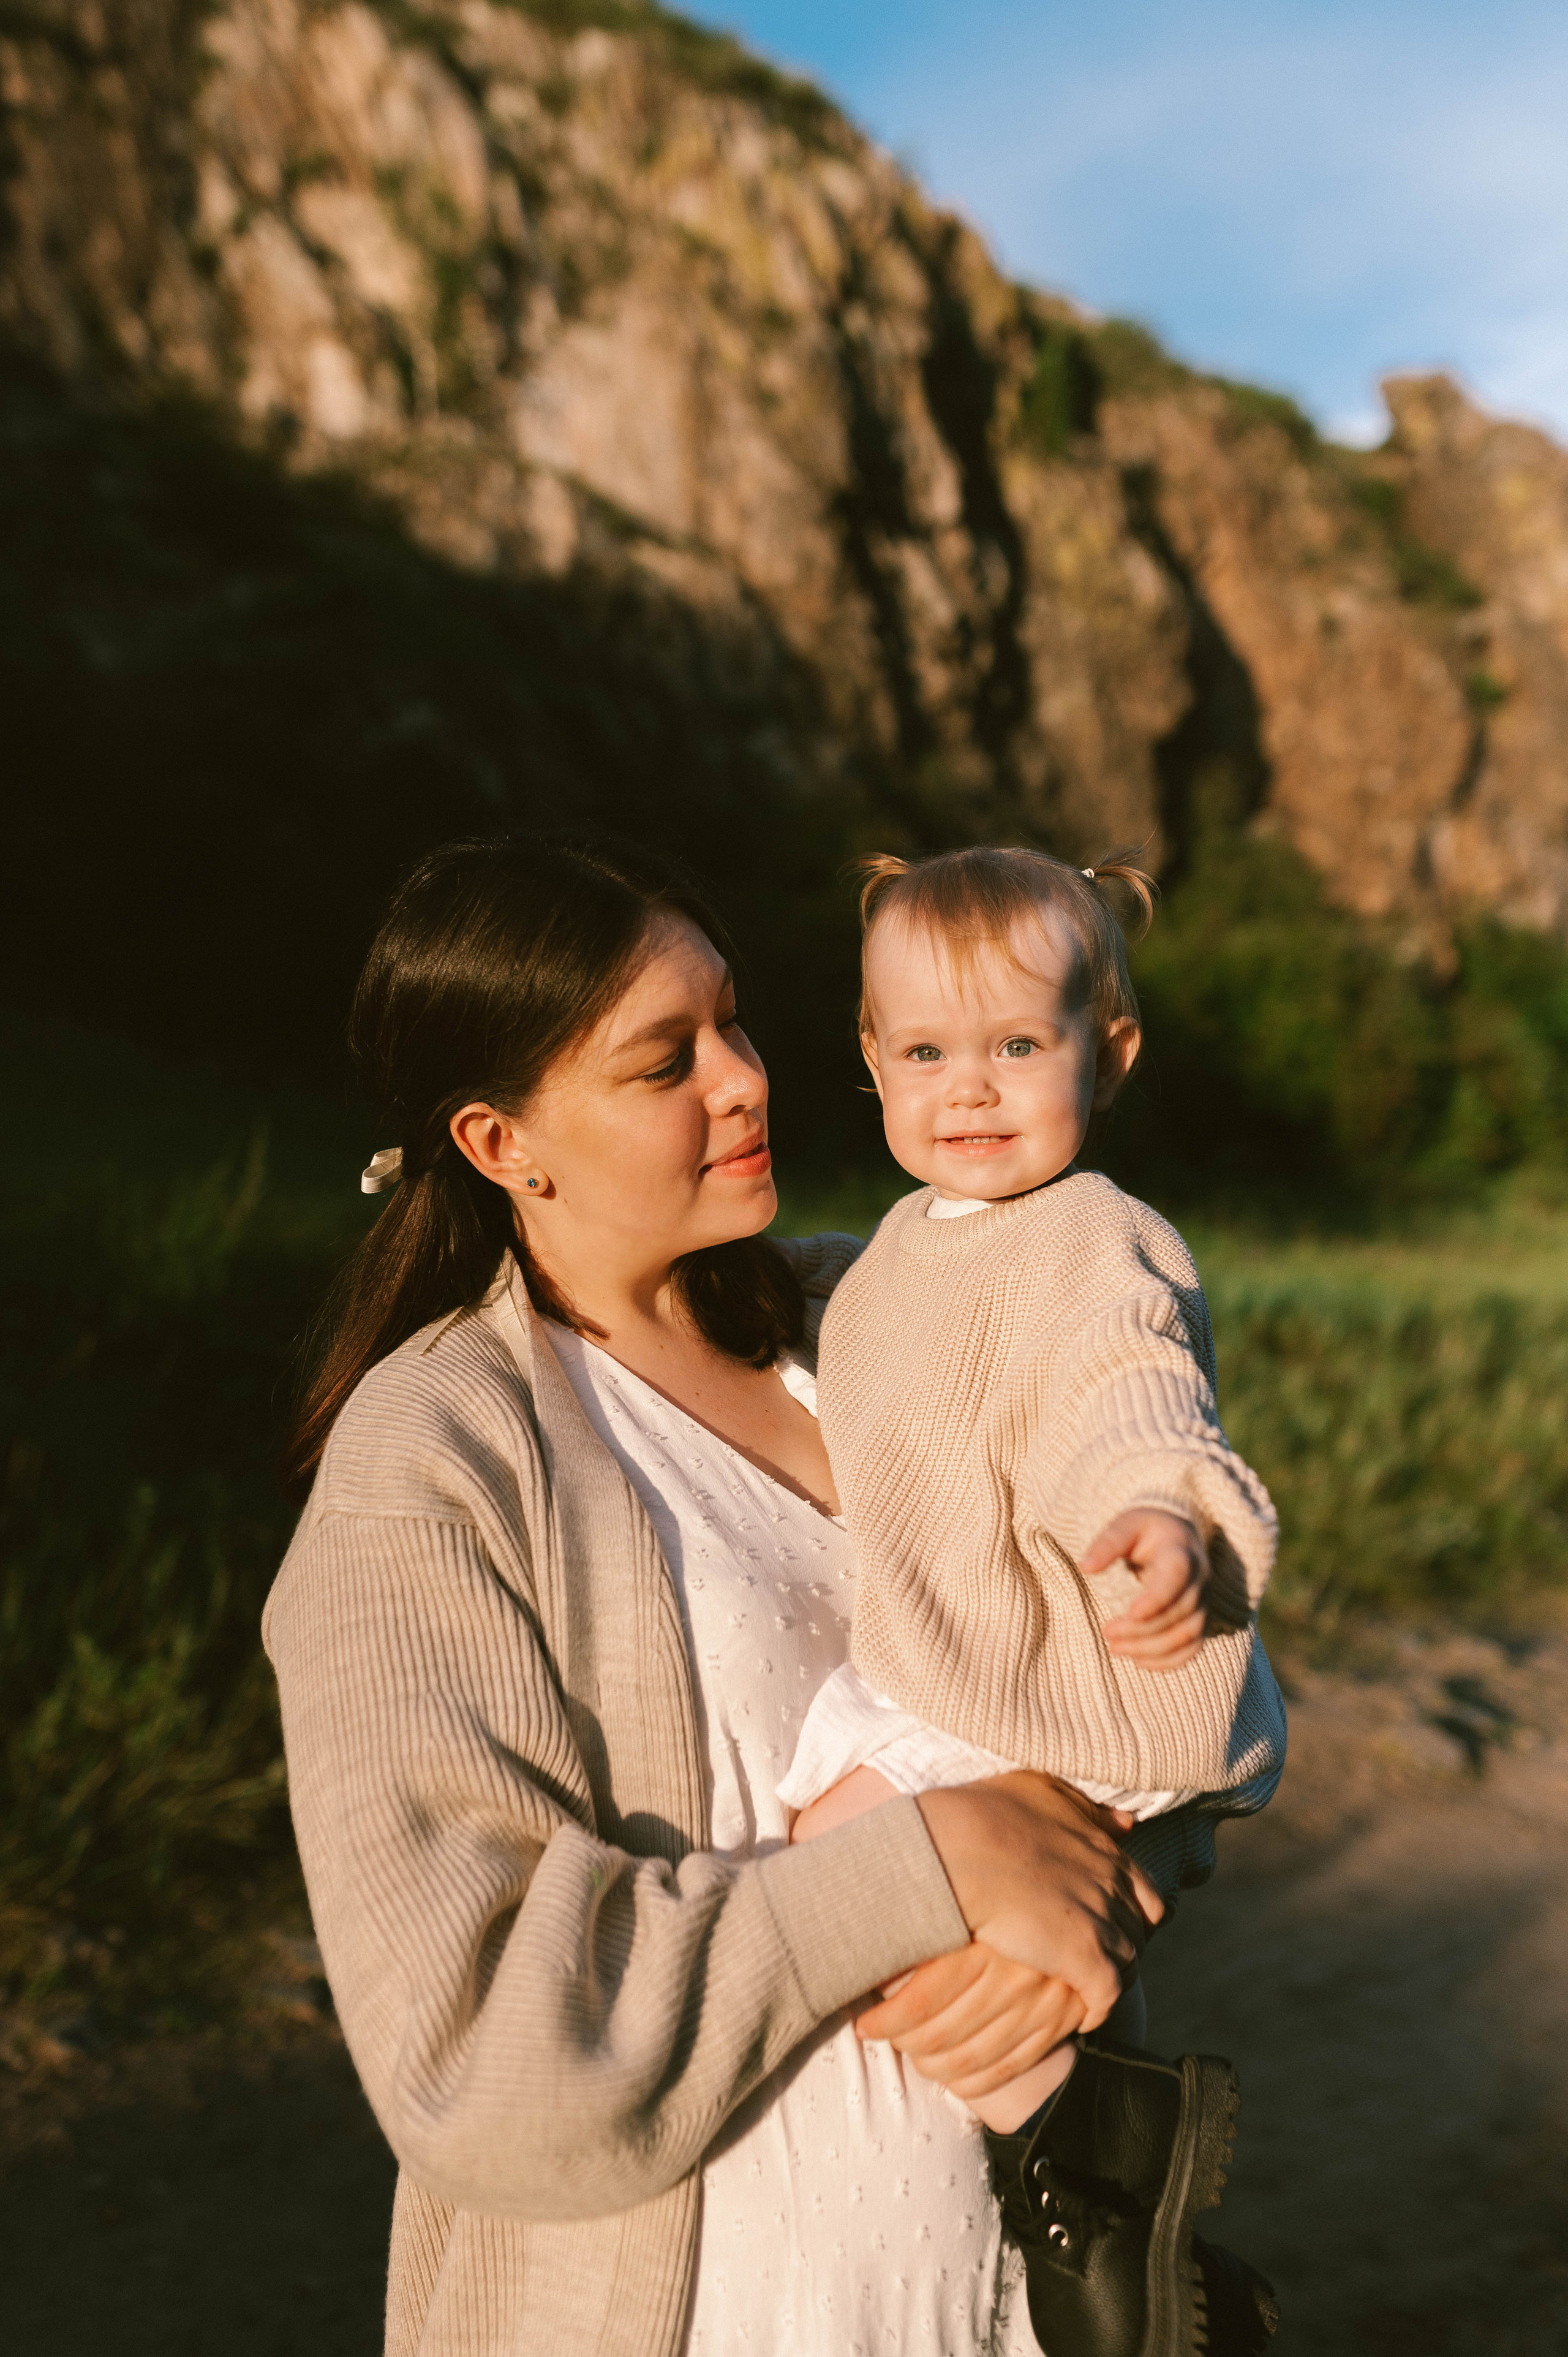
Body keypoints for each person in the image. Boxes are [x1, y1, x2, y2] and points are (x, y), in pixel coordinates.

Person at [265, 831, 1165, 2357]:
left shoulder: (866, 1316)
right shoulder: (433, 1455)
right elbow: (475, 2051)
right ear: (500, 1140)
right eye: (661, 1061)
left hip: (1015, 2301)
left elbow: (1188, 1636)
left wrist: (1094, 1838)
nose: (743, 1079)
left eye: (732, 1021)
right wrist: (939, 1858)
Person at [779, 846, 1287, 2357]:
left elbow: (1128, 1387)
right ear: (871, 1061)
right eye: (926, 1052)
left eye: (1016, 1045)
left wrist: (1158, 1517)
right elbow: (854, 1332)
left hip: (1060, 1673)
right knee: (955, 1931)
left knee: (834, 1857)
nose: (970, 1090)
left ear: (1106, 1054)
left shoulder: (1091, 1237)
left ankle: (1085, 2158)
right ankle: (1106, 2208)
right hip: (982, 1680)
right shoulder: (893, 1249)